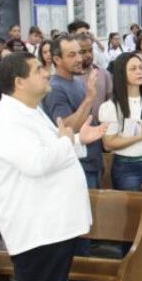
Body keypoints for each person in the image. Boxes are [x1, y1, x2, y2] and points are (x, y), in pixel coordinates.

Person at [0, 52, 105, 281]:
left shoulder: (30, 110)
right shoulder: (7, 119)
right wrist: (67, 141)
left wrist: (79, 140)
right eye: (38, 70)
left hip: (53, 226)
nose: (46, 73)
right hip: (38, 229)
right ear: (19, 82)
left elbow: (49, 149)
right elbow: (36, 163)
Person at [99, 52, 142, 271]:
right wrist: (141, 136)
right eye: (133, 68)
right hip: (128, 167)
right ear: (122, 73)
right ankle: (132, 271)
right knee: (133, 223)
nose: (140, 72)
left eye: (141, 67)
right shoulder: (111, 106)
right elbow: (109, 143)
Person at [41, 35, 103, 191]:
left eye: (79, 53)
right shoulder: (55, 88)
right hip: (78, 165)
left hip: (92, 161)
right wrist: (89, 98)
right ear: (57, 59)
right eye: (71, 55)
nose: (79, 59)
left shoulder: (77, 81)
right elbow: (67, 128)